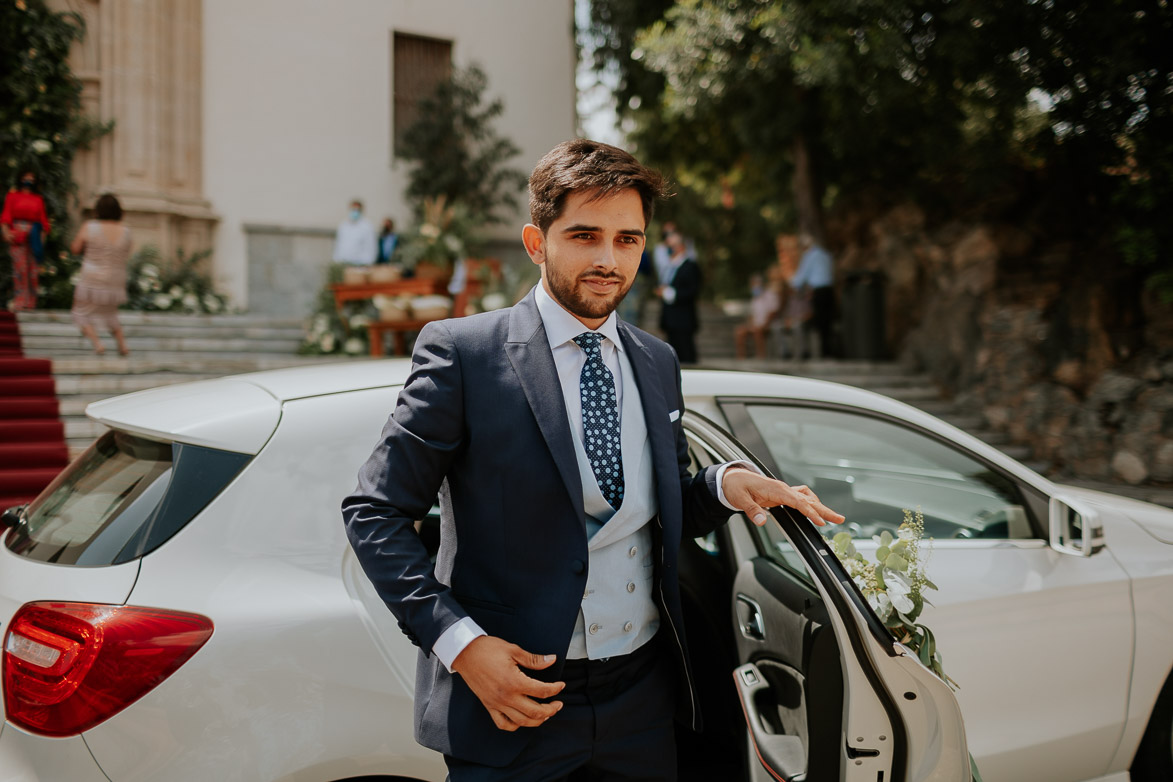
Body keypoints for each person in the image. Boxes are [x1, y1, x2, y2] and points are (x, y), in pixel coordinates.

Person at [342, 139, 844, 782]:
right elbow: (374, 512)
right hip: (514, 703)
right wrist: (463, 649)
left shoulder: (657, 361)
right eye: (585, 235)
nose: (609, 260)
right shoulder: (463, 355)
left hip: (642, 699)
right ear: (536, 241)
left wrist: (723, 485)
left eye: (628, 240)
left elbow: (643, 515)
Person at [70, 193, 132, 356]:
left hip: (92, 277)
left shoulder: (90, 227)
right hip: (116, 279)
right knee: (111, 313)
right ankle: (122, 345)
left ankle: (98, 344)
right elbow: (126, 253)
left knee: (81, 311)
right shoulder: (125, 231)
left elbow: (75, 248)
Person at [1, 171, 51, 311]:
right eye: (25, 177)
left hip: (34, 236)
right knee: (19, 268)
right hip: (17, 235)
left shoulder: (38, 199)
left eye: (31, 178)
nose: (28, 180)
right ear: (20, 178)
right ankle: (20, 300)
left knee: (33, 270)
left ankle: (31, 302)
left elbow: (43, 221)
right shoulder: (12, 196)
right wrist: (6, 233)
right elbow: (6, 215)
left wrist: (41, 240)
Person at [655, 224, 701, 363]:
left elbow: (692, 291)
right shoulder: (670, 266)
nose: (669, 249)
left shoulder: (690, 266)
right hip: (670, 320)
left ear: (681, 246)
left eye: (672, 246)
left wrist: (669, 293)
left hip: (683, 320)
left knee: (686, 355)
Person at [789, 233, 835, 358]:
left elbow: (800, 278)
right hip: (829, 290)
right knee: (827, 321)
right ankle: (828, 351)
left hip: (818, 292)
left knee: (819, 321)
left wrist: (791, 284)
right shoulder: (826, 255)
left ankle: (819, 353)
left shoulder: (809, 256)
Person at [734, 269, 781, 359]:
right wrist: (750, 324)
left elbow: (773, 312)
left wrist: (764, 325)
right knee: (740, 331)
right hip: (756, 325)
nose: (754, 286)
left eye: (755, 283)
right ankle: (741, 358)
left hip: (768, 325)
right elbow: (752, 315)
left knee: (757, 331)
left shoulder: (771, 295)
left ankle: (761, 357)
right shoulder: (755, 299)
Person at [332, 199, 377, 265]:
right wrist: (336, 259)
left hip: (360, 263)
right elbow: (339, 244)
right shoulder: (344, 225)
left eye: (357, 210)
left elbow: (371, 246)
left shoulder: (367, 226)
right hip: (343, 261)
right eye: (353, 209)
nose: (355, 212)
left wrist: (368, 262)